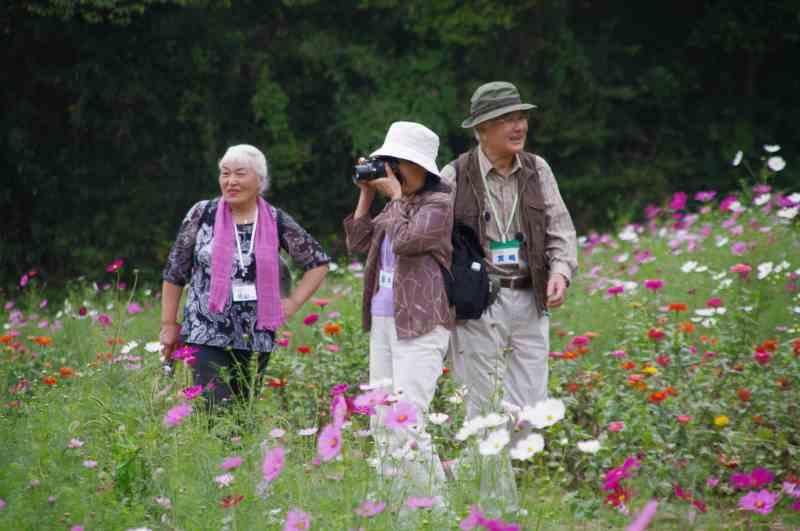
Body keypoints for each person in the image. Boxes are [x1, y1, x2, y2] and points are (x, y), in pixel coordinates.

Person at [441, 82, 578, 509]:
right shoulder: (454, 175)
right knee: (484, 412)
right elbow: (432, 237)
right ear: (481, 129)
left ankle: (457, 471)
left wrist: (560, 272)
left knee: (531, 412)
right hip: (478, 304)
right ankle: (501, 509)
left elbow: (561, 228)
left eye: (521, 117)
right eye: (505, 119)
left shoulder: (538, 169)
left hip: (529, 298)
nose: (518, 126)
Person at [160, 144, 330, 405]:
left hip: (256, 336)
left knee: (243, 412)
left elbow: (318, 262)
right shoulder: (202, 213)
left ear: (260, 180)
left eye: (240, 173)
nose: (231, 181)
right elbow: (175, 271)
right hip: (205, 331)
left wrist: (294, 302)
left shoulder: (275, 219)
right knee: (215, 408)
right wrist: (168, 324)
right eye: (225, 173)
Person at [343, 122, 453, 501]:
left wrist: (393, 197)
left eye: (399, 162)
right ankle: (397, 508)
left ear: (421, 167)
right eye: (388, 162)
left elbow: (406, 241)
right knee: (381, 420)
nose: (392, 170)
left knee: (407, 419)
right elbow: (357, 242)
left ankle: (436, 511)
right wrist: (365, 195)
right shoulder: (396, 205)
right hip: (383, 321)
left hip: (422, 322)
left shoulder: (439, 204)